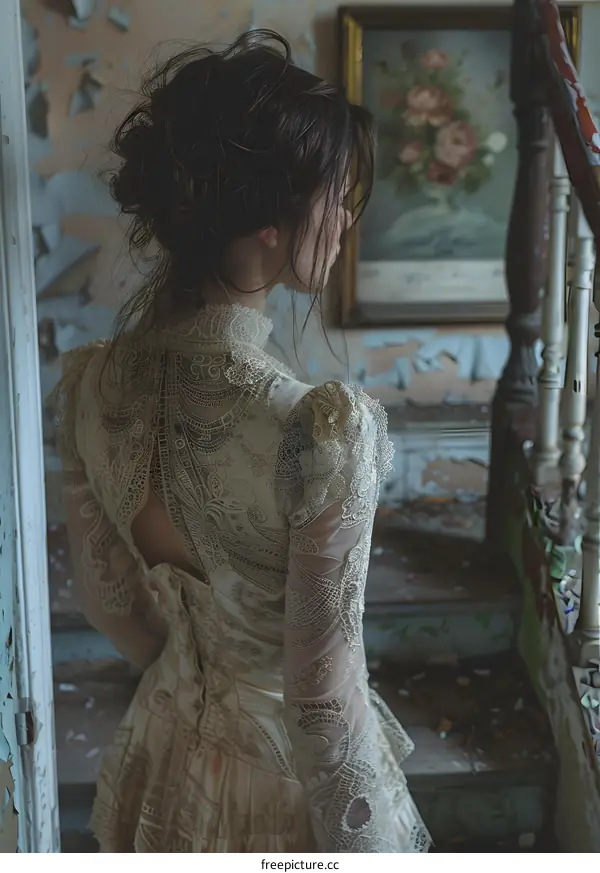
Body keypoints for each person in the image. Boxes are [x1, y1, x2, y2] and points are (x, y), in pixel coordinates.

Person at [52, 30, 431, 853]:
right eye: (335, 191)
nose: (343, 217)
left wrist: (196, 681)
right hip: (278, 795)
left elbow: (113, 609)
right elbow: (324, 709)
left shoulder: (88, 385)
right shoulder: (317, 431)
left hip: (159, 750)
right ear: (269, 220)